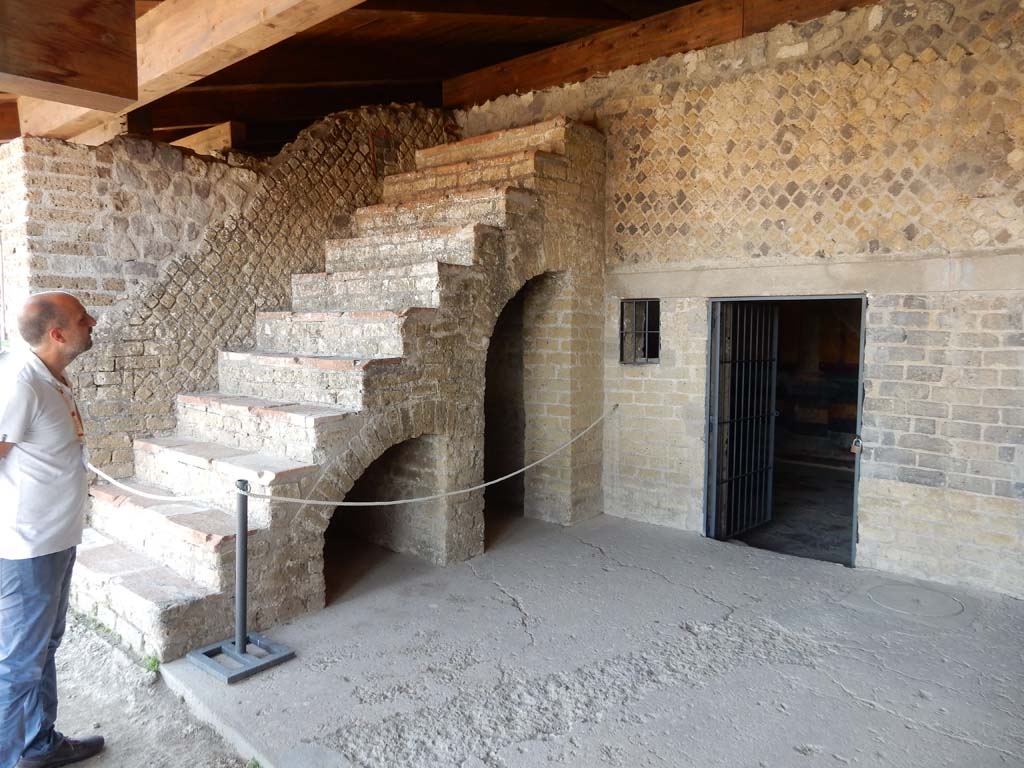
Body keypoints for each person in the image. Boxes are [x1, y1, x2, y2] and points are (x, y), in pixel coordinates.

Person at [0, 292, 104, 768]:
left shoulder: (50, 376)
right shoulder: (21, 382)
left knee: (43, 647)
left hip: (55, 538)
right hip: (29, 546)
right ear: (58, 334)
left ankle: (38, 745)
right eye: (83, 319)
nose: (93, 322)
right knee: (20, 662)